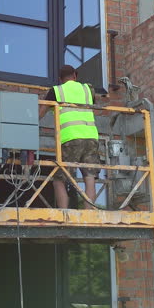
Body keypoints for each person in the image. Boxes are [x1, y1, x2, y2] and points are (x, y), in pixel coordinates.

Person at [38, 65, 100, 209]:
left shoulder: (56, 91)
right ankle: (88, 214)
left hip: (71, 138)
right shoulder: (88, 89)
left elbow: (40, 114)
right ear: (75, 76)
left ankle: (64, 214)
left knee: (59, 180)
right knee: (90, 178)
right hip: (91, 137)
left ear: (60, 79)